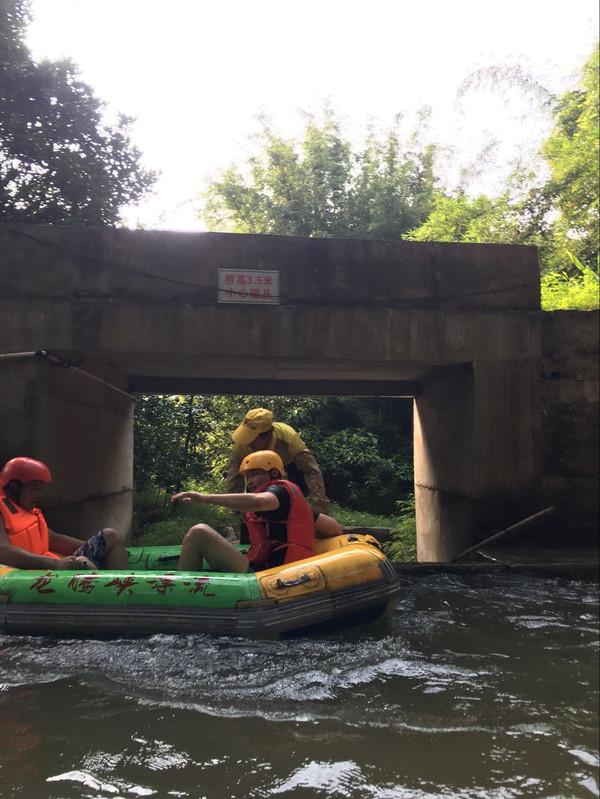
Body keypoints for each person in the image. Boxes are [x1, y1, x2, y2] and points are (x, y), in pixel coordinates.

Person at [173, 450, 341, 573]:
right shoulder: (291, 502)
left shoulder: (278, 492)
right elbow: (333, 528)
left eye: (254, 474)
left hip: (278, 575)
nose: (250, 481)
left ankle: (178, 594)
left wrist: (205, 498)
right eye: (247, 477)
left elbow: (259, 502)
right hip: (266, 571)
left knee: (199, 532)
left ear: (273, 473)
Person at [0, 457, 129, 570]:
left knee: (110, 536)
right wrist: (55, 564)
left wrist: (93, 547)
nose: (40, 495)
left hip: (47, 567)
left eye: (41, 488)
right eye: (34, 487)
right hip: (28, 575)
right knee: (84, 564)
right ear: (14, 487)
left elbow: (53, 539)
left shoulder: (29, 511)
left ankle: (124, 588)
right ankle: (113, 595)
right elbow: (3, 552)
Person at [226, 407, 331, 515]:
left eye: (251, 438)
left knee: (296, 503)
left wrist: (319, 504)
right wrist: (237, 508)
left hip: (289, 467)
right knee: (254, 506)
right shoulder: (241, 445)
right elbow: (234, 477)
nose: (248, 442)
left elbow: (311, 470)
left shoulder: (288, 437)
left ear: (266, 435)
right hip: (257, 473)